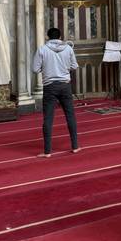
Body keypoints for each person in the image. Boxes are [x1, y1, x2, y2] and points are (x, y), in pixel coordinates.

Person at [32, 27, 80, 158]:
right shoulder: (68, 48)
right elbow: (74, 66)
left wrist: (47, 68)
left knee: (48, 119)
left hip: (50, 87)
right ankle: (75, 146)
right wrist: (64, 68)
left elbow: (35, 69)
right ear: (60, 37)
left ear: (48, 37)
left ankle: (47, 151)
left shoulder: (42, 49)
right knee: (70, 116)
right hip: (65, 86)